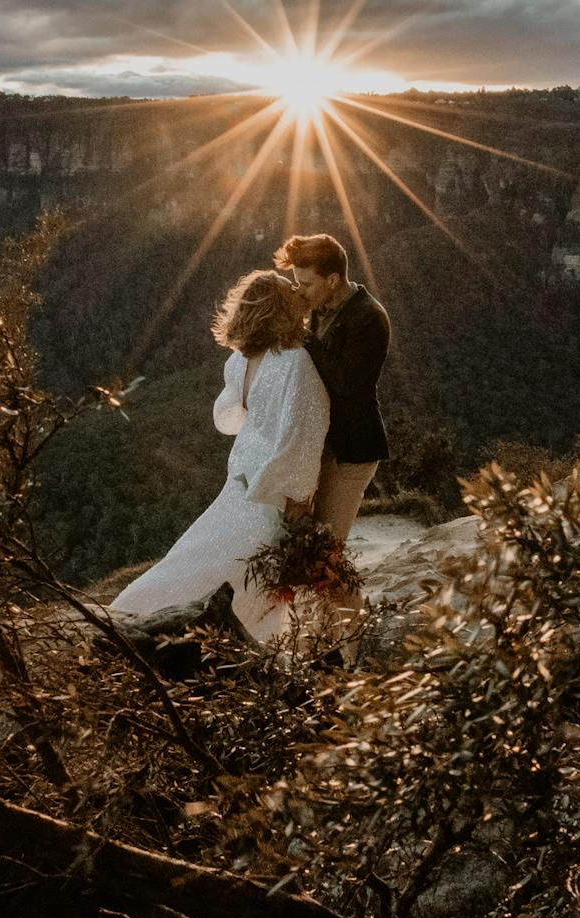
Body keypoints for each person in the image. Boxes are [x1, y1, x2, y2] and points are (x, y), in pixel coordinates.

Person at [107, 270, 330, 642]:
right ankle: (237, 645)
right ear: (285, 313)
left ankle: (131, 615)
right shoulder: (296, 363)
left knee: (201, 553)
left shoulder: (239, 361)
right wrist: (301, 496)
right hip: (270, 485)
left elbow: (227, 418)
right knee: (250, 569)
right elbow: (305, 431)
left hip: (241, 473)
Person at [272, 233, 390, 630]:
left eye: (306, 283)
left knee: (325, 553)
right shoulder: (321, 305)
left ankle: (354, 637)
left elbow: (346, 384)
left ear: (334, 279)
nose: (300, 291)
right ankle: (331, 631)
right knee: (308, 547)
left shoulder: (369, 318)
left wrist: (301, 335)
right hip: (319, 444)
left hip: (352, 449)